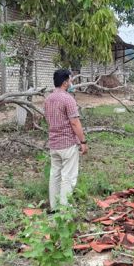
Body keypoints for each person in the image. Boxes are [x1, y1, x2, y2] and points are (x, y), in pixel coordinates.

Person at [44, 69, 88, 209]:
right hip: (67, 143)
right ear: (65, 82)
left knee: (55, 175)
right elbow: (75, 122)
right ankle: (65, 210)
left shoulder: (48, 98)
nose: (71, 82)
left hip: (54, 143)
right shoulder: (68, 99)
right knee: (68, 176)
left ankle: (54, 207)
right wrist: (83, 141)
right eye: (70, 80)